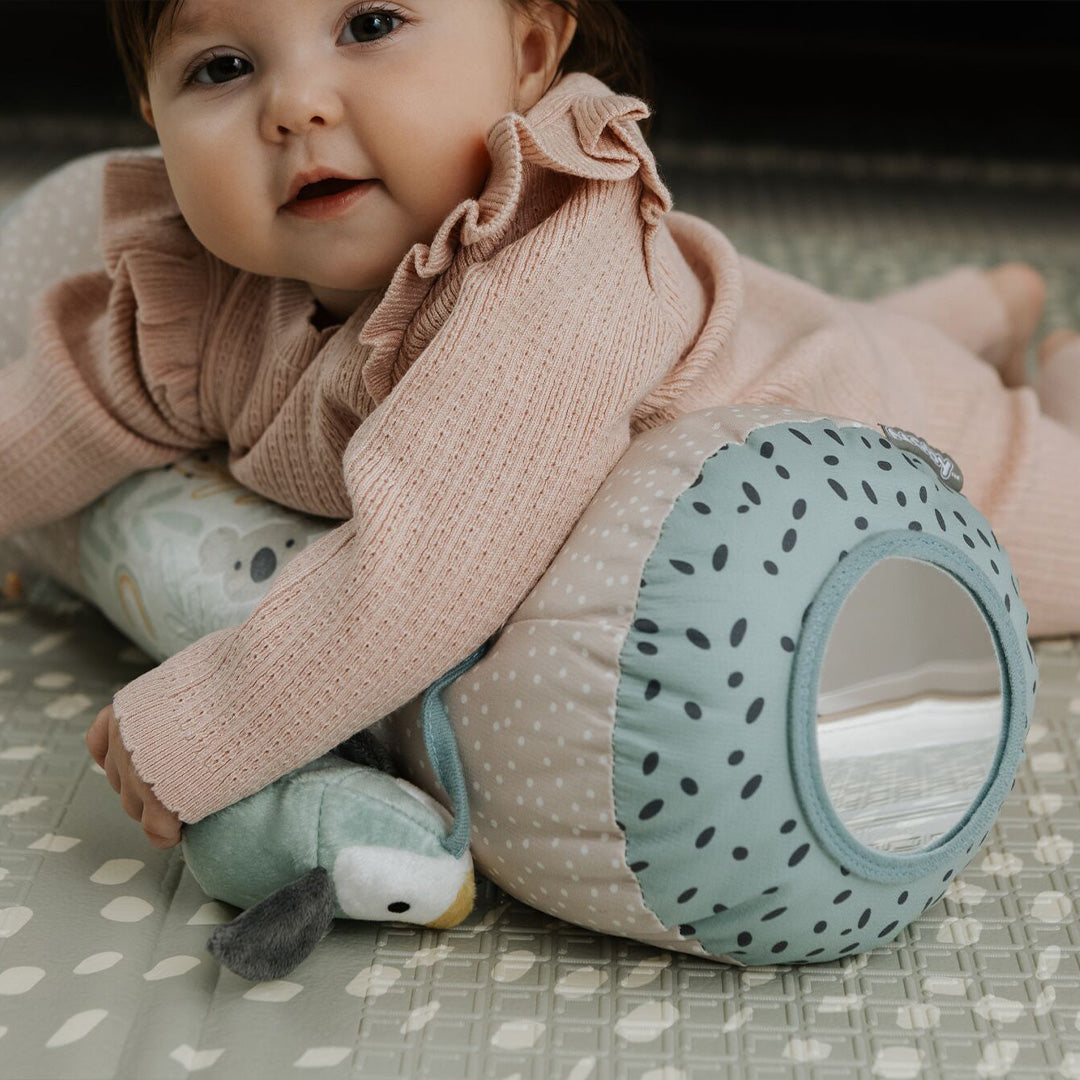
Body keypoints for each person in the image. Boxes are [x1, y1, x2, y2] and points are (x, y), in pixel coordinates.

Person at [0, 0, 1075, 852]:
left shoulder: (552, 272)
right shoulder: (208, 291)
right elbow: (69, 406)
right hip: (754, 333)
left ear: (527, 50)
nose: (293, 105)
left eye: (370, 25)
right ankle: (986, 305)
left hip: (878, 427)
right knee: (785, 315)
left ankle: (1030, 359)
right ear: (150, 114)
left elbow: (430, 565)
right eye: (221, 67)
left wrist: (209, 725)